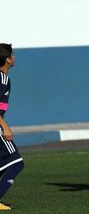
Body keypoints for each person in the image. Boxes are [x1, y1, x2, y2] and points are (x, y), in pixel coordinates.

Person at [0, 43, 24, 211]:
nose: (14, 57)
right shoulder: (2, 79)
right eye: (12, 55)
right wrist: (5, 127)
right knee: (16, 163)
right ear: (7, 60)